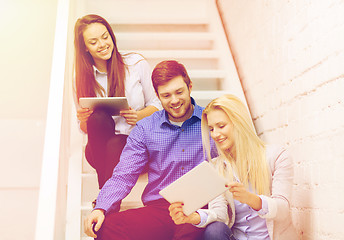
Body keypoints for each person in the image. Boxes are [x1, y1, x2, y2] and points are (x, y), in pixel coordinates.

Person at [83, 60, 217, 240]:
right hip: (161, 210)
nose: (175, 100)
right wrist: (101, 207)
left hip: (199, 208)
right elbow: (124, 175)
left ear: (190, 86)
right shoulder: (146, 128)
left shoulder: (212, 121)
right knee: (106, 227)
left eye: (179, 92)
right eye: (166, 95)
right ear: (157, 95)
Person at [169, 94, 298, 239]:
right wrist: (192, 217)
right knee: (215, 229)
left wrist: (250, 199)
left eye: (221, 126)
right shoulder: (216, 167)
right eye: (211, 129)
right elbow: (220, 214)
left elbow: (282, 209)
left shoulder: (277, 156)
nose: (215, 134)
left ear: (239, 123)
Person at [73, 14, 161, 189]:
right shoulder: (81, 77)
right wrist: (83, 120)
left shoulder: (136, 64)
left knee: (116, 144)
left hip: (137, 148)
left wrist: (139, 115)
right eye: (94, 42)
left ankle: (104, 197)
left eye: (105, 37)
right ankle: (107, 197)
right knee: (98, 118)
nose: (103, 44)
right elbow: (84, 129)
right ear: (85, 48)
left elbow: (158, 104)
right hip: (98, 151)